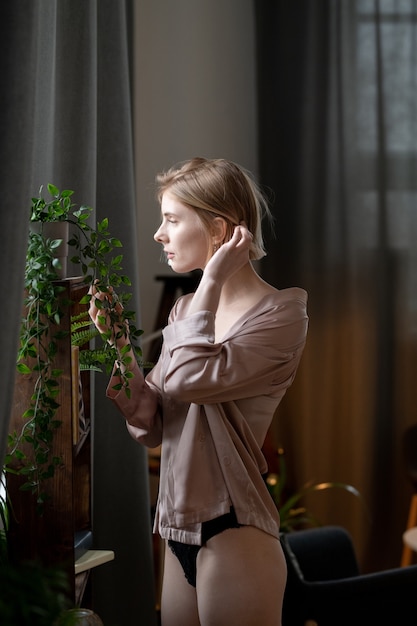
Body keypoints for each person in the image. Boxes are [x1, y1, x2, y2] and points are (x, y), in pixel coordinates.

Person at [89, 157, 308, 626]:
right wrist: (119, 344)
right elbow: (148, 420)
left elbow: (190, 379)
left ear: (219, 230)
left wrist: (209, 281)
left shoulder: (281, 316)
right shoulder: (185, 311)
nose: (158, 234)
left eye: (170, 219)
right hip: (177, 530)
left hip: (233, 527)